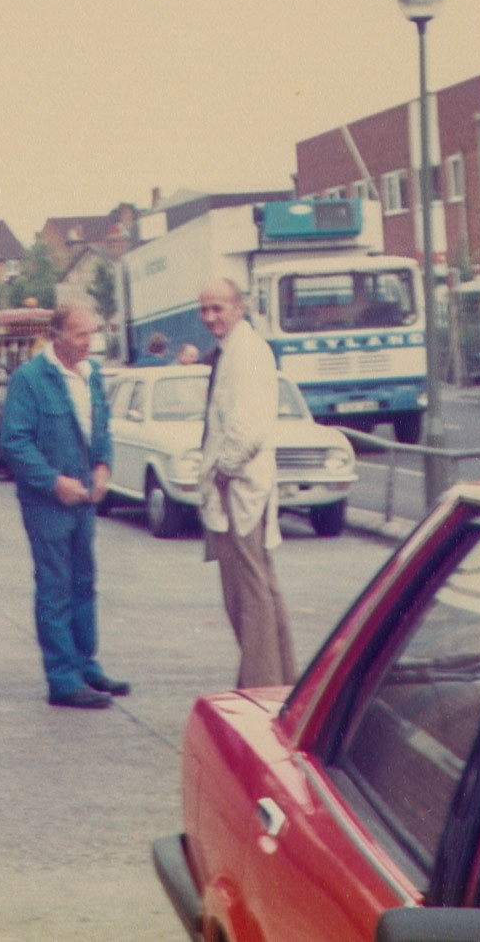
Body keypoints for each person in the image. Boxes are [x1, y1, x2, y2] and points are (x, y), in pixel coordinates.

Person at [0, 303, 128, 709]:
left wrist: (103, 466)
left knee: (84, 582)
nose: (90, 342)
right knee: (56, 587)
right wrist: (54, 483)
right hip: (48, 504)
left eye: (92, 333)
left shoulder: (91, 375)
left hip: (85, 499)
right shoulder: (30, 380)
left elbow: (101, 426)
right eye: (81, 335)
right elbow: (14, 442)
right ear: (57, 335)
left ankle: (86, 667)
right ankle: (63, 679)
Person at [195, 277, 296, 688]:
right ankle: (282, 678)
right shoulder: (233, 350)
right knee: (260, 589)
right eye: (204, 310)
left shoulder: (248, 352)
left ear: (239, 307)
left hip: (238, 486)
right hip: (238, 485)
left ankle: (260, 685)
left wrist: (223, 469)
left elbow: (248, 428)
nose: (210, 318)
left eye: (218, 308)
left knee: (247, 595)